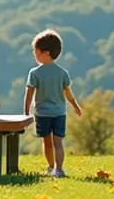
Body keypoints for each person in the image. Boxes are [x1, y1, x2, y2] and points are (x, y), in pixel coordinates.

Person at [24, 29, 84, 177]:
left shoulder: (35, 73)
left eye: (36, 51)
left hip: (42, 113)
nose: (34, 54)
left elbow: (29, 93)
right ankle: (59, 169)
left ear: (46, 53)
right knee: (58, 142)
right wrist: (75, 106)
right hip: (59, 113)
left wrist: (26, 111)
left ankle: (51, 166)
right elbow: (68, 93)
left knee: (47, 142)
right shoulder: (63, 73)